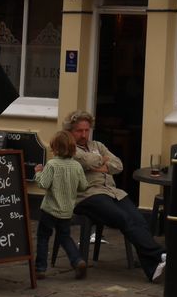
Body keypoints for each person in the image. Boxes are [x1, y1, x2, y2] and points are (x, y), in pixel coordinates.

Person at [63, 111, 166, 283]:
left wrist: (99, 164)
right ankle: (160, 255)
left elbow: (118, 165)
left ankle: (154, 269)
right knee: (123, 218)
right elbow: (87, 161)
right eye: (79, 131)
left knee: (139, 219)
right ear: (70, 131)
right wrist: (102, 160)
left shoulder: (97, 145)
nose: (84, 135)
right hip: (88, 195)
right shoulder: (68, 148)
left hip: (112, 192)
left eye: (87, 130)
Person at [34, 130, 88, 279]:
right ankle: (77, 260)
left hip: (49, 210)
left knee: (43, 237)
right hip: (66, 211)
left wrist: (38, 172)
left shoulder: (52, 165)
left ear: (55, 148)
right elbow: (83, 186)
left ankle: (40, 269)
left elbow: (43, 184)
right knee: (64, 237)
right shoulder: (77, 166)